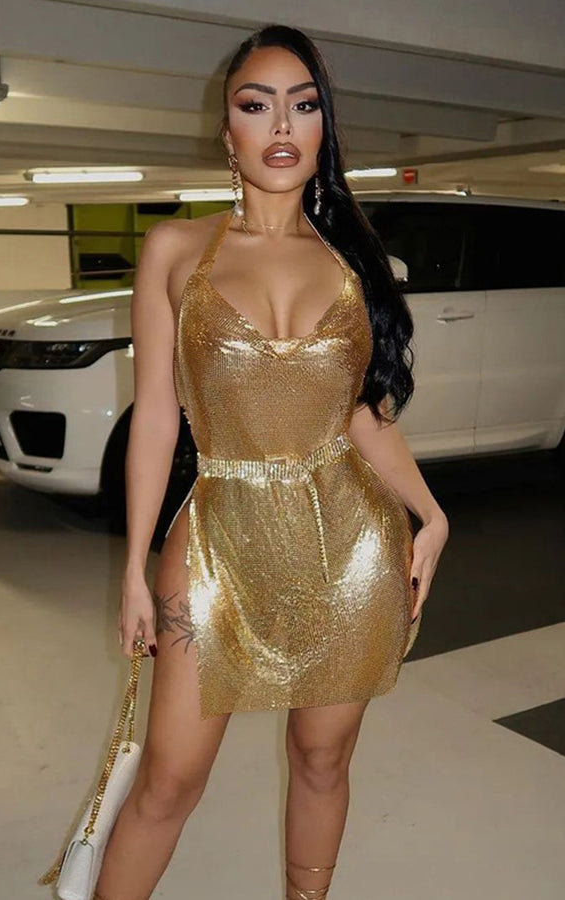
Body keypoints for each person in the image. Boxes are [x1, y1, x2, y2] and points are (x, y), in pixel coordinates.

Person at [94, 23, 449, 900]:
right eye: (257, 106)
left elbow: (363, 418)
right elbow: (157, 418)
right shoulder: (176, 250)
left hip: (351, 548)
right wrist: (135, 568)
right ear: (228, 132)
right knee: (169, 780)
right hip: (216, 538)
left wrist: (433, 514)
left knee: (323, 759)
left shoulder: (357, 264)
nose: (282, 126)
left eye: (304, 105)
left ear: (325, 127)